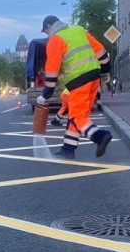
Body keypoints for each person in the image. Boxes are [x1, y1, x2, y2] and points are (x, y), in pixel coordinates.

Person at [36, 15, 112, 159]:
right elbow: (101, 51)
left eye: (46, 32)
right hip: (94, 77)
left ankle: (100, 136)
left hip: (78, 81)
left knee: (77, 117)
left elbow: (52, 71)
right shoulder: (79, 30)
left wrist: (45, 95)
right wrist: (105, 69)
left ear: (48, 26)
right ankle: (68, 149)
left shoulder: (55, 40)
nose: (47, 35)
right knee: (78, 115)